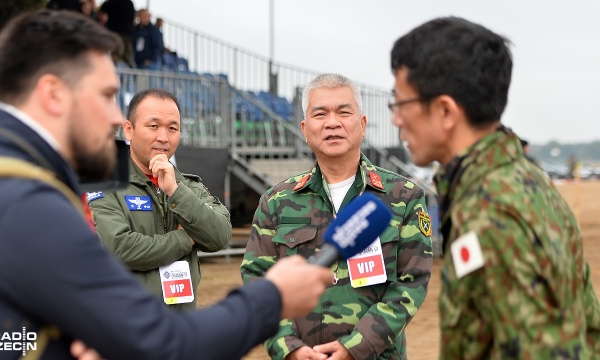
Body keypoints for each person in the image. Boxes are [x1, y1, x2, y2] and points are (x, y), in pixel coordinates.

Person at [0, 9, 334, 360]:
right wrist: (273, 297)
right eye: (106, 96)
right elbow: (162, 343)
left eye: (172, 127)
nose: (113, 117)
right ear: (53, 93)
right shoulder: (26, 204)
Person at [389, 16, 600, 358]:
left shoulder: (490, 213)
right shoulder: (524, 180)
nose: (396, 119)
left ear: (445, 111)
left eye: (400, 103)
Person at [241, 73, 433, 360]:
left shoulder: (403, 197)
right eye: (320, 114)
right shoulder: (276, 202)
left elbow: (412, 282)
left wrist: (355, 347)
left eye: (344, 112)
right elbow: (257, 280)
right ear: (305, 129)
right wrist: (288, 349)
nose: (333, 122)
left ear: (362, 124)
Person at [88, 88, 230, 310]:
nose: (163, 137)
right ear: (129, 130)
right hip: (125, 325)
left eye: (173, 128)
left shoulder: (188, 186)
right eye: (153, 126)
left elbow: (220, 235)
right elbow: (120, 248)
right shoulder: (105, 184)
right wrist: (185, 240)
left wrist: (175, 191)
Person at [99, 0, 136, 67]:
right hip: (126, 34)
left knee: (117, 56)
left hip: (116, 34)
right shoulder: (129, 3)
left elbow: (101, 15)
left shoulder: (110, 3)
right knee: (126, 56)